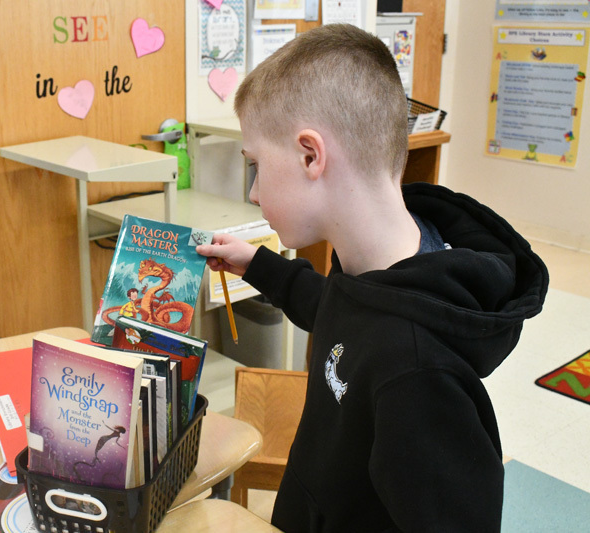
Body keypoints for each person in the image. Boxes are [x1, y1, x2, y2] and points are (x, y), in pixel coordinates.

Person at [196, 24, 548, 532]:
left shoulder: (417, 375)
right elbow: (342, 313)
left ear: (310, 155)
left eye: (255, 165)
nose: (253, 192)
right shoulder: (375, 271)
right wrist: (260, 265)